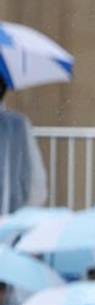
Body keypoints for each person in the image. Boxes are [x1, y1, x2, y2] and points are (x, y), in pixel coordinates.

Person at [0, 81, 48, 216]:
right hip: (13, 217)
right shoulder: (17, 124)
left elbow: (35, 180)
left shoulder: (17, 125)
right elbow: (36, 182)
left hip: (12, 216)